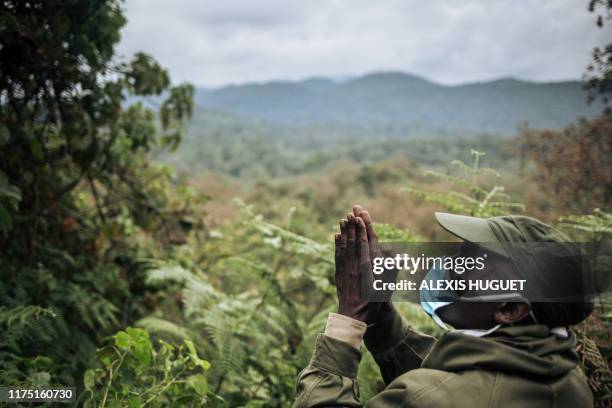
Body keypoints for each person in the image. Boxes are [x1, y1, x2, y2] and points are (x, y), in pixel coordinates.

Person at [293, 205, 594, 407]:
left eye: (472, 260)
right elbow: (455, 380)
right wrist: (379, 317)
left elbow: (438, 393)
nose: (452, 266)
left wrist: (348, 319)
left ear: (511, 309)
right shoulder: (567, 378)